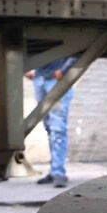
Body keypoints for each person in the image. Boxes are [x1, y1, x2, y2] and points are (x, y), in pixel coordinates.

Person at [31, 56, 76, 187]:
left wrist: (64, 69)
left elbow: (78, 52)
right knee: (49, 128)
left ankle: (59, 172)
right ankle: (54, 170)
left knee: (58, 128)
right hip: (40, 80)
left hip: (56, 81)